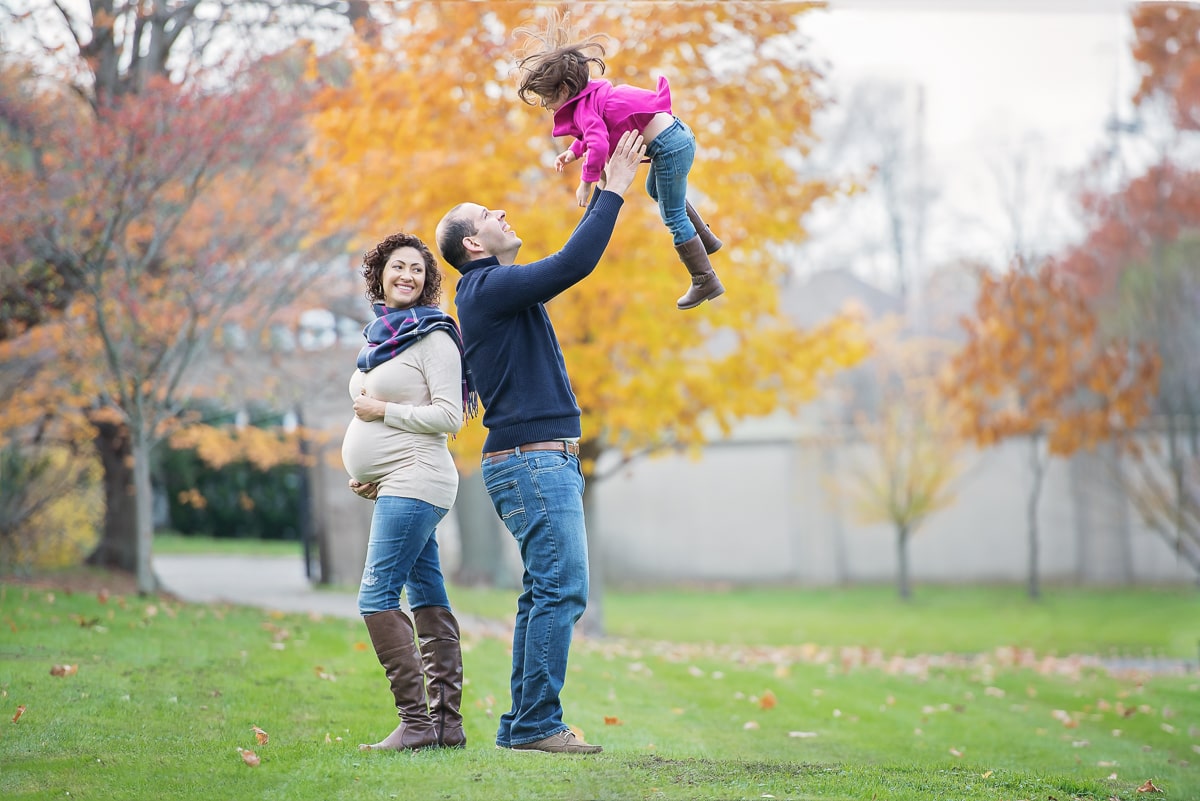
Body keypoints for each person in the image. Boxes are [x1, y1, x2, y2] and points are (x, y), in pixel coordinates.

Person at [434, 129, 646, 755]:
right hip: (531, 463)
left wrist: (592, 186)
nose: (502, 212)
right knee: (562, 587)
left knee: (545, 589)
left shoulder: (492, 291)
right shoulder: (488, 287)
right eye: (488, 213)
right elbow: (573, 264)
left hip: (531, 461)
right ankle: (535, 724)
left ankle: (525, 723)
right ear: (474, 243)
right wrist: (616, 189)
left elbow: (563, 257)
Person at [341, 231, 477, 752]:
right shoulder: (378, 338)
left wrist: (383, 413)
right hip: (395, 481)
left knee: (376, 596)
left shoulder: (436, 337)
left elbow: (448, 416)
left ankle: (416, 724)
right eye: (398, 266)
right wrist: (368, 471)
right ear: (379, 274)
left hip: (419, 477)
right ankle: (445, 726)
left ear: (427, 281)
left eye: (417, 269)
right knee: (426, 595)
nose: (407, 275)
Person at [514, 9, 725, 311]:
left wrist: (586, 184)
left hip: (670, 147)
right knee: (658, 192)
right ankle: (705, 239)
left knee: (672, 214)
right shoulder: (590, 99)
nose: (547, 107)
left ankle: (704, 278)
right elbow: (590, 135)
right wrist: (572, 152)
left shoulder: (585, 109)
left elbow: (598, 145)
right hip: (675, 137)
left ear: (563, 90)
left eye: (548, 100)